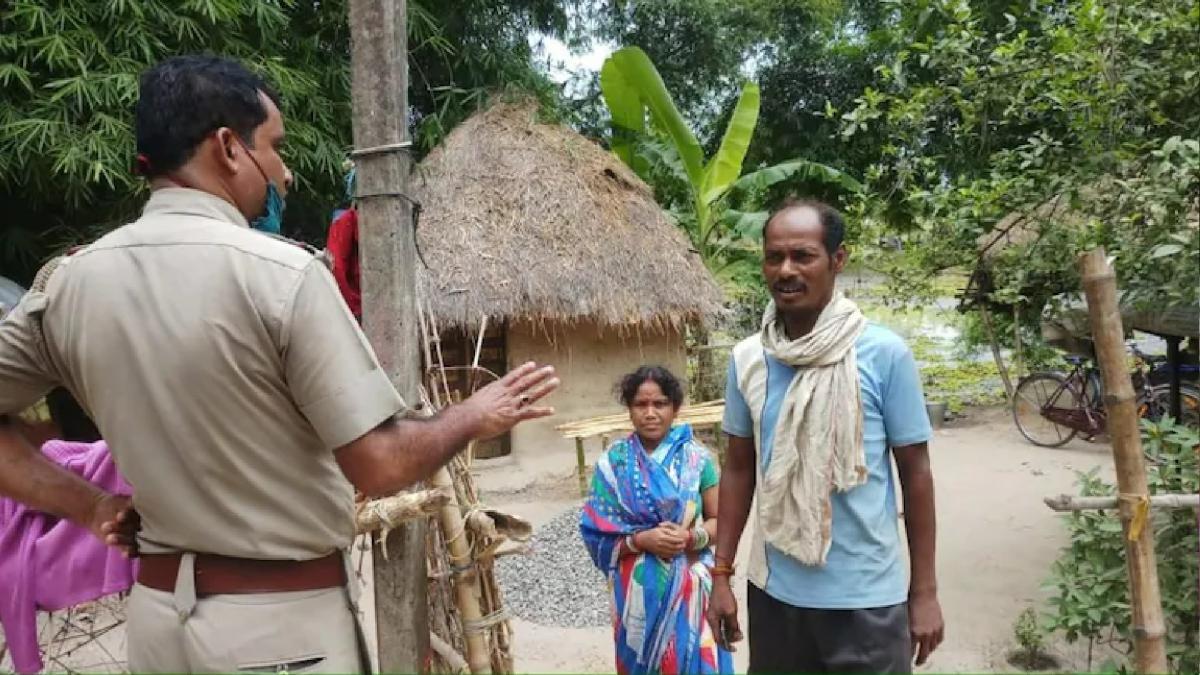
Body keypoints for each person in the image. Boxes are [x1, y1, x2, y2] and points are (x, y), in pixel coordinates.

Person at [0, 54, 558, 673]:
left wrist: (88, 507)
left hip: (157, 627)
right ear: (228, 148)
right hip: (277, 634)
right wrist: (473, 415)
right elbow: (379, 465)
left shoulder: (73, 284)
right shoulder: (282, 277)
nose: (285, 174)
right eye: (275, 147)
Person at [707, 200, 943, 673]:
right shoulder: (749, 358)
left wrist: (924, 592)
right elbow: (738, 468)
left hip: (868, 601)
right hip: (775, 596)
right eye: (774, 257)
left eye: (803, 256)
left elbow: (916, 475)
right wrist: (721, 575)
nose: (785, 270)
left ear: (838, 259)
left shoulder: (883, 355)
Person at [581, 366, 732, 675]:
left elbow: (721, 521)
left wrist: (691, 538)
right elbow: (595, 533)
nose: (650, 413)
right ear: (629, 409)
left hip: (691, 589)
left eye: (660, 404)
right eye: (641, 404)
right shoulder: (612, 464)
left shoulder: (698, 460)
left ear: (674, 408)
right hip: (636, 595)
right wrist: (639, 540)